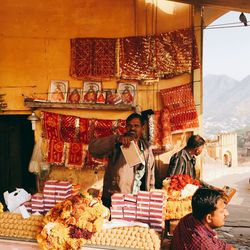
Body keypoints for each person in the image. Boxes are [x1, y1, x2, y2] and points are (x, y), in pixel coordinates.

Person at [88, 113, 155, 208]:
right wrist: (117, 139)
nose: (132, 128)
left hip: (138, 200)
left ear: (142, 128)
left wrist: (151, 196)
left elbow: (151, 175)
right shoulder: (118, 143)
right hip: (117, 198)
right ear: (125, 127)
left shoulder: (146, 147)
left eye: (136, 126)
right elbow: (93, 148)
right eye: (129, 126)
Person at [170, 188, 236, 250]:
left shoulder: (189, 218)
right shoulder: (204, 245)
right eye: (222, 211)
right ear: (209, 218)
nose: (227, 214)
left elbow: (222, 246)